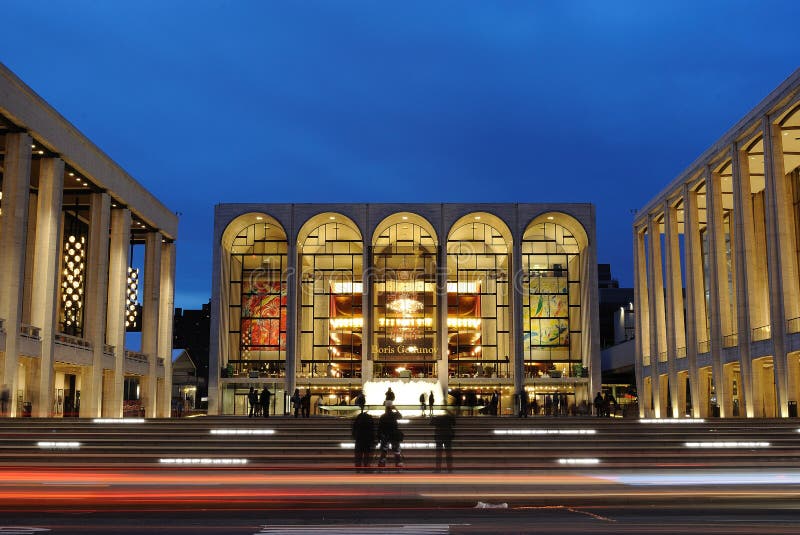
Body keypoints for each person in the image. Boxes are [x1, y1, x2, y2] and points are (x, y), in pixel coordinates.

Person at [377, 405, 404, 469]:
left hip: (385, 435)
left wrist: (379, 437)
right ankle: (398, 463)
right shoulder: (393, 415)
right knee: (396, 450)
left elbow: (380, 428)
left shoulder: (383, 416)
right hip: (394, 435)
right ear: (391, 409)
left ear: (386, 410)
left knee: (384, 450)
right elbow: (400, 416)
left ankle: (382, 463)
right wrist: (396, 409)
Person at [432, 408, 456, 472]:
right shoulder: (449, 418)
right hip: (447, 436)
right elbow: (454, 423)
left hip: (439, 436)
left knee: (438, 453)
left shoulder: (436, 418)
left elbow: (431, 423)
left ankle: (438, 468)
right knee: (448, 453)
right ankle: (450, 468)